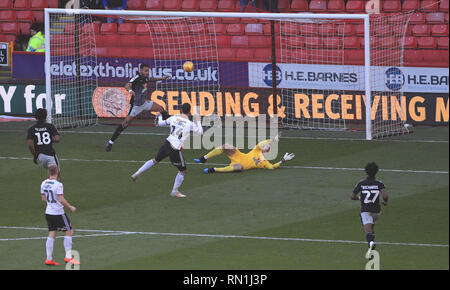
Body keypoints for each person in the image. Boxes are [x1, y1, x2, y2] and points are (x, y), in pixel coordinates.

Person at [130, 103, 203, 198]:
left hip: (167, 143)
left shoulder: (174, 118)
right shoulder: (190, 124)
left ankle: (136, 173)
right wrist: (198, 120)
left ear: (180, 109)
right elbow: (201, 132)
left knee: (155, 160)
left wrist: (159, 115)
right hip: (175, 148)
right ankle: (174, 191)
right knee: (183, 171)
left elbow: (159, 123)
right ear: (189, 112)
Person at [105, 63, 170, 152]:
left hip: (144, 103)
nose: (147, 72)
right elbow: (127, 85)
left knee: (161, 109)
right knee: (125, 123)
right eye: (145, 71)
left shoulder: (145, 77)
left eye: (148, 71)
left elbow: (150, 79)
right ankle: (110, 142)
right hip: (136, 106)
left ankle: (170, 127)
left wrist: (161, 78)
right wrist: (130, 90)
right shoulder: (136, 78)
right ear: (141, 71)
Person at [41, 165, 79, 266]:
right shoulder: (58, 184)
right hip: (58, 213)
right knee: (69, 231)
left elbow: (43, 198)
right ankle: (68, 257)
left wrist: (51, 203)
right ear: (57, 172)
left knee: (52, 234)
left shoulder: (43, 183)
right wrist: (70, 207)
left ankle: (49, 259)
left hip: (48, 212)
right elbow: (61, 199)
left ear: (48, 172)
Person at [194, 137, 295, 173]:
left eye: (267, 146)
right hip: (238, 155)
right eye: (266, 145)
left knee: (238, 168)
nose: (265, 145)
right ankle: (204, 158)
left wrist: (283, 160)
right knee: (226, 145)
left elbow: (272, 167)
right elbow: (261, 143)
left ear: (267, 150)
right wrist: (272, 140)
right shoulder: (257, 149)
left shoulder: (265, 162)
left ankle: (214, 170)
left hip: (241, 166)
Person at [350, 162, 388, 257]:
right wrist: (385, 201)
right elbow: (385, 195)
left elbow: (352, 196)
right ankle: (370, 250)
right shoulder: (379, 183)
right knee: (371, 230)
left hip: (366, 210)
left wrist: (359, 198)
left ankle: (371, 244)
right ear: (376, 171)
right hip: (377, 211)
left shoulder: (361, 183)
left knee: (368, 231)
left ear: (366, 171)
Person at [27, 108, 62, 180]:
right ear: (46, 116)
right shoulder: (50, 126)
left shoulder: (31, 128)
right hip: (50, 155)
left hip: (41, 157)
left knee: (51, 175)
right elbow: (58, 139)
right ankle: (57, 190)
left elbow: (30, 145)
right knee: (56, 176)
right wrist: (52, 140)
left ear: (35, 117)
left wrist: (35, 156)